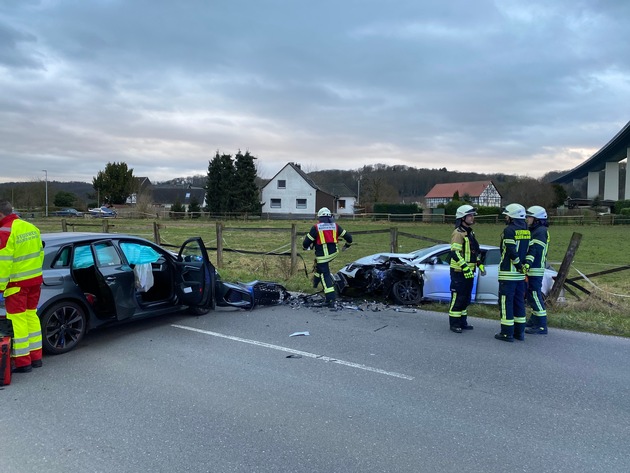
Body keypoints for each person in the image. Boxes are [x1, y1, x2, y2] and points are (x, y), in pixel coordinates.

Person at [0, 200, 45, 373]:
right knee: (31, 317)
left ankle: (22, 362)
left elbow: (3, 264)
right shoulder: (31, 228)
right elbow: (40, 254)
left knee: (17, 320)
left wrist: (0, 287)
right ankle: (36, 358)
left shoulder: (5, 231)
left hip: (16, 285)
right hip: (34, 281)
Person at [495, 203, 531, 342]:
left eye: (507, 215)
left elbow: (510, 250)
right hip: (520, 276)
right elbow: (528, 250)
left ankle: (506, 333)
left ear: (512, 216)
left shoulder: (509, 230)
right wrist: (524, 267)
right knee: (519, 303)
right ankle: (519, 333)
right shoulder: (527, 231)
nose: (505, 217)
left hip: (508, 274)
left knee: (506, 303)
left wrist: (518, 265)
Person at [303, 207, 352, 307]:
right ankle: (314, 285)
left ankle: (330, 299)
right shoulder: (335, 226)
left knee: (324, 275)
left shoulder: (316, 227)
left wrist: (306, 247)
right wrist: (347, 245)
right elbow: (349, 237)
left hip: (323, 256)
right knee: (320, 268)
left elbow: (306, 243)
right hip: (334, 253)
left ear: (319, 217)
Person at [448, 205, 484, 333]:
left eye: (472, 215)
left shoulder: (470, 232)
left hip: (469, 271)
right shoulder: (458, 233)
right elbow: (455, 253)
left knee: (466, 298)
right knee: (457, 298)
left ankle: (462, 322)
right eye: (470, 215)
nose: (472, 217)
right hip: (459, 272)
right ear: (462, 217)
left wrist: (478, 263)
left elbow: (473, 251)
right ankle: (454, 324)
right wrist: (465, 268)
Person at [524, 205, 549, 335]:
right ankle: (534, 320)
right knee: (531, 296)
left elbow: (535, 250)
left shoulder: (540, 232)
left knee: (534, 295)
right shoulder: (536, 230)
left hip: (535, 268)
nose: (527, 219)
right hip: (533, 268)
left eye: (530, 217)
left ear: (537, 219)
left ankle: (541, 325)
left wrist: (527, 264)